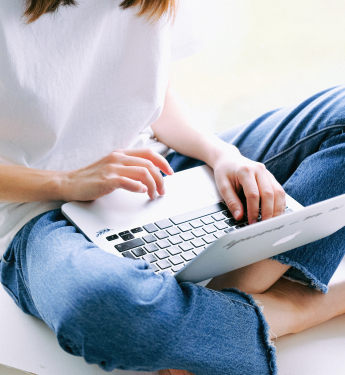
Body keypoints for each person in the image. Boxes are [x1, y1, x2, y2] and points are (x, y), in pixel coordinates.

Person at [0, 1, 344, 374]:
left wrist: (221, 153)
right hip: (38, 214)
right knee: (104, 311)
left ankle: (230, 306)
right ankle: (300, 307)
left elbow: (146, 83)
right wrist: (65, 181)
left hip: (160, 169)